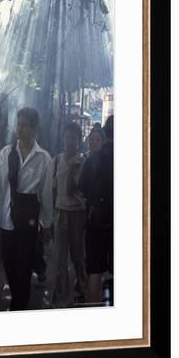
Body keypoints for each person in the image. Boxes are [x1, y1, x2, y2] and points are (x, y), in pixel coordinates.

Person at [0, 107, 53, 311]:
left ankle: (18, 308)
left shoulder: (44, 159)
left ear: (33, 129)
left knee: (24, 269)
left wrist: (47, 226)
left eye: (24, 125)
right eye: (18, 124)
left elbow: (46, 195)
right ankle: (19, 302)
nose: (19, 128)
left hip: (28, 223)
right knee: (10, 267)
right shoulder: (6, 154)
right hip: (6, 220)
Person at [79, 115, 114, 303]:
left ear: (106, 134)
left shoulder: (94, 159)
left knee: (95, 271)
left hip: (96, 221)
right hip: (119, 223)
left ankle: (93, 314)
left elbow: (82, 186)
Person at [52, 122, 87, 307]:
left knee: (77, 257)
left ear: (78, 140)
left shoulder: (82, 162)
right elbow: (53, 188)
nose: (69, 141)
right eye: (66, 137)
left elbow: (73, 188)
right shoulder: (56, 160)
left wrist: (73, 168)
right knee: (59, 259)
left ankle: (81, 289)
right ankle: (61, 297)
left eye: (73, 137)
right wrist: (50, 216)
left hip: (77, 215)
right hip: (60, 214)